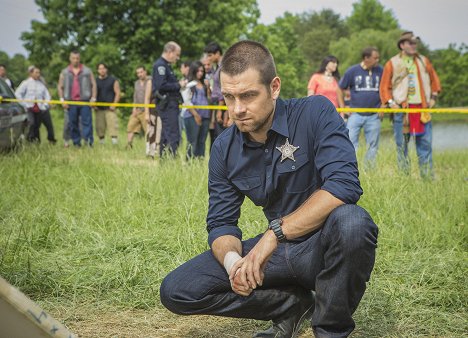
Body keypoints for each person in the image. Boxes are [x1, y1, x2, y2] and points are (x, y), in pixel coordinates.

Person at [160, 40, 378, 338]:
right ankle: (290, 305)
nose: (237, 109)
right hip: (278, 256)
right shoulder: (224, 147)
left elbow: (343, 185)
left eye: (248, 96)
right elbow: (221, 223)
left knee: (354, 221)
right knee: (177, 290)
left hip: (323, 248)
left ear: (274, 87)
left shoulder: (315, 112)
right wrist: (235, 263)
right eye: (229, 97)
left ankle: (329, 328)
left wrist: (273, 234)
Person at [380, 31, 441, 178]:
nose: (414, 46)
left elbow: (435, 81)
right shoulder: (392, 63)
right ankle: (404, 180)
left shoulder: (423, 60)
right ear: (402, 45)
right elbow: (384, 86)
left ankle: (427, 180)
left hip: (422, 110)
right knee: (402, 148)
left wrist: (433, 96)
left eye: (415, 43)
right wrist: (390, 103)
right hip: (402, 111)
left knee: (425, 146)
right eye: (410, 43)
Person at [339, 47, 383, 169]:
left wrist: (383, 106)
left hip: (374, 115)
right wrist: (343, 108)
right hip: (355, 114)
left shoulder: (380, 70)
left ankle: (369, 170)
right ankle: (351, 169)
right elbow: (340, 88)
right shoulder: (352, 71)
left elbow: (386, 89)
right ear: (366, 58)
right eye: (375, 58)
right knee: (350, 143)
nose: (378, 60)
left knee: (373, 145)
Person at [152, 41, 187, 157]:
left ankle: (165, 160)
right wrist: (178, 85)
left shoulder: (166, 66)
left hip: (171, 104)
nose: (178, 58)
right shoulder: (160, 66)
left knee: (166, 134)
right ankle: (171, 159)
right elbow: (160, 86)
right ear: (170, 52)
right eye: (177, 54)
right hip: (167, 104)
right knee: (172, 134)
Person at [58, 50, 97, 147]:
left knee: (87, 123)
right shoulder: (65, 72)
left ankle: (88, 142)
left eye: (77, 58)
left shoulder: (87, 71)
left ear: (80, 59)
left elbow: (94, 84)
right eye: (73, 58)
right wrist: (62, 100)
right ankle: (76, 143)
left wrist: (93, 98)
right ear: (70, 59)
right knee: (73, 123)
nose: (75, 60)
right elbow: (60, 86)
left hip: (85, 101)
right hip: (70, 101)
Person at [15, 66, 56, 144]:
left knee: (37, 125)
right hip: (29, 108)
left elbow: (47, 95)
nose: (38, 74)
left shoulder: (41, 84)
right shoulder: (25, 83)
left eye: (39, 72)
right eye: (36, 72)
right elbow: (17, 94)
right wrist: (25, 104)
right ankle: (29, 140)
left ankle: (36, 141)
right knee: (31, 123)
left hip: (39, 108)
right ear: (31, 73)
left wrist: (45, 105)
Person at [182, 61, 211, 159]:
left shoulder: (204, 84)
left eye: (202, 71)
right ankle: (189, 163)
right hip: (191, 116)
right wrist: (196, 115)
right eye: (198, 71)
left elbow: (209, 99)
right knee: (192, 141)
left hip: (205, 115)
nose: (200, 73)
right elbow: (186, 101)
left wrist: (208, 88)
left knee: (202, 141)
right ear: (193, 71)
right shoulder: (189, 84)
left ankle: (200, 162)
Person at [204, 42, 228, 138]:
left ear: (217, 53)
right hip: (218, 105)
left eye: (210, 55)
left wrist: (219, 110)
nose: (208, 58)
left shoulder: (224, 67)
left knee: (222, 136)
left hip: (223, 107)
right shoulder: (217, 67)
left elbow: (224, 90)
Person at [95, 63, 120, 145]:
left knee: (113, 125)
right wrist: (94, 105)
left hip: (110, 108)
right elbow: (92, 94)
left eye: (103, 68)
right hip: (99, 108)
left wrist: (114, 104)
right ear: (98, 70)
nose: (102, 70)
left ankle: (115, 143)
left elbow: (117, 93)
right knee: (100, 126)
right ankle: (101, 143)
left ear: (106, 69)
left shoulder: (113, 80)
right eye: (100, 69)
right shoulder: (95, 81)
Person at [127, 66, 150, 148]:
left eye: (141, 72)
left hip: (147, 110)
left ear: (145, 72)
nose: (139, 74)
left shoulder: (150, 81)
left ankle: (149, 147)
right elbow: (135, 96)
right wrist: (134, 108)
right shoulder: (136, 83)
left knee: (148, 130)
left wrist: (146, 110)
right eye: (138, 73)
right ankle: (129, 145)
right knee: (130, 126)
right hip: (137, 109)